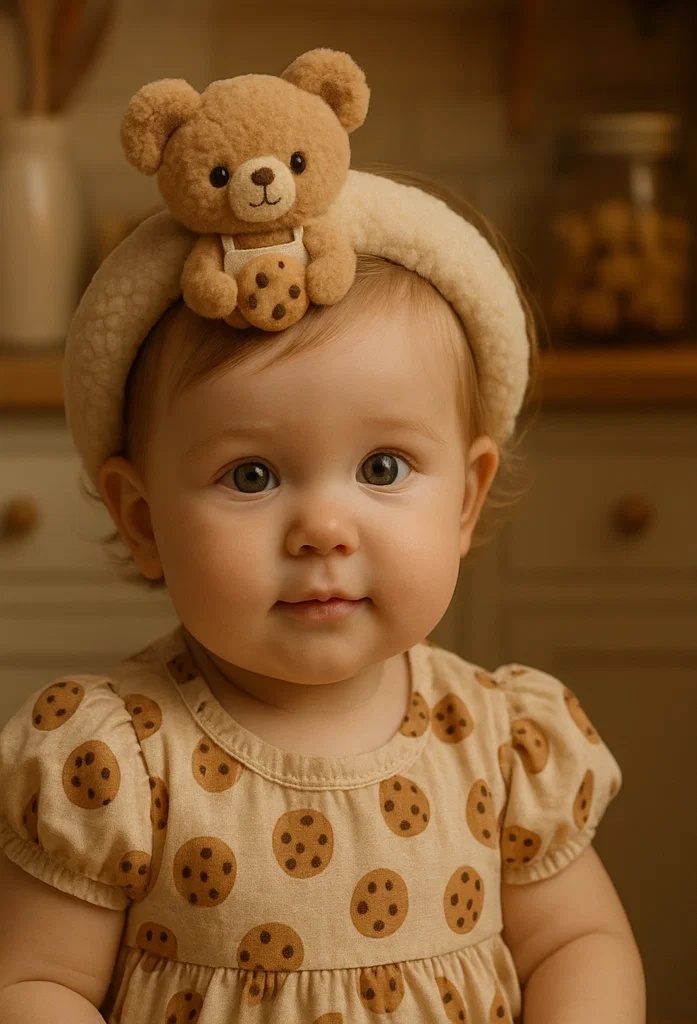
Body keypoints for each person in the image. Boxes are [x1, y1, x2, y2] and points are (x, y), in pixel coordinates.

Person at [0, 163, 645, 1022]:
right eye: (252, 474)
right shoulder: (114, 764)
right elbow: (37, 987)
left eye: (382, 467)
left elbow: (578, 946)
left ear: (465, 497)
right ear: (144, 520)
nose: (322, 529)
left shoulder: (500, 744)